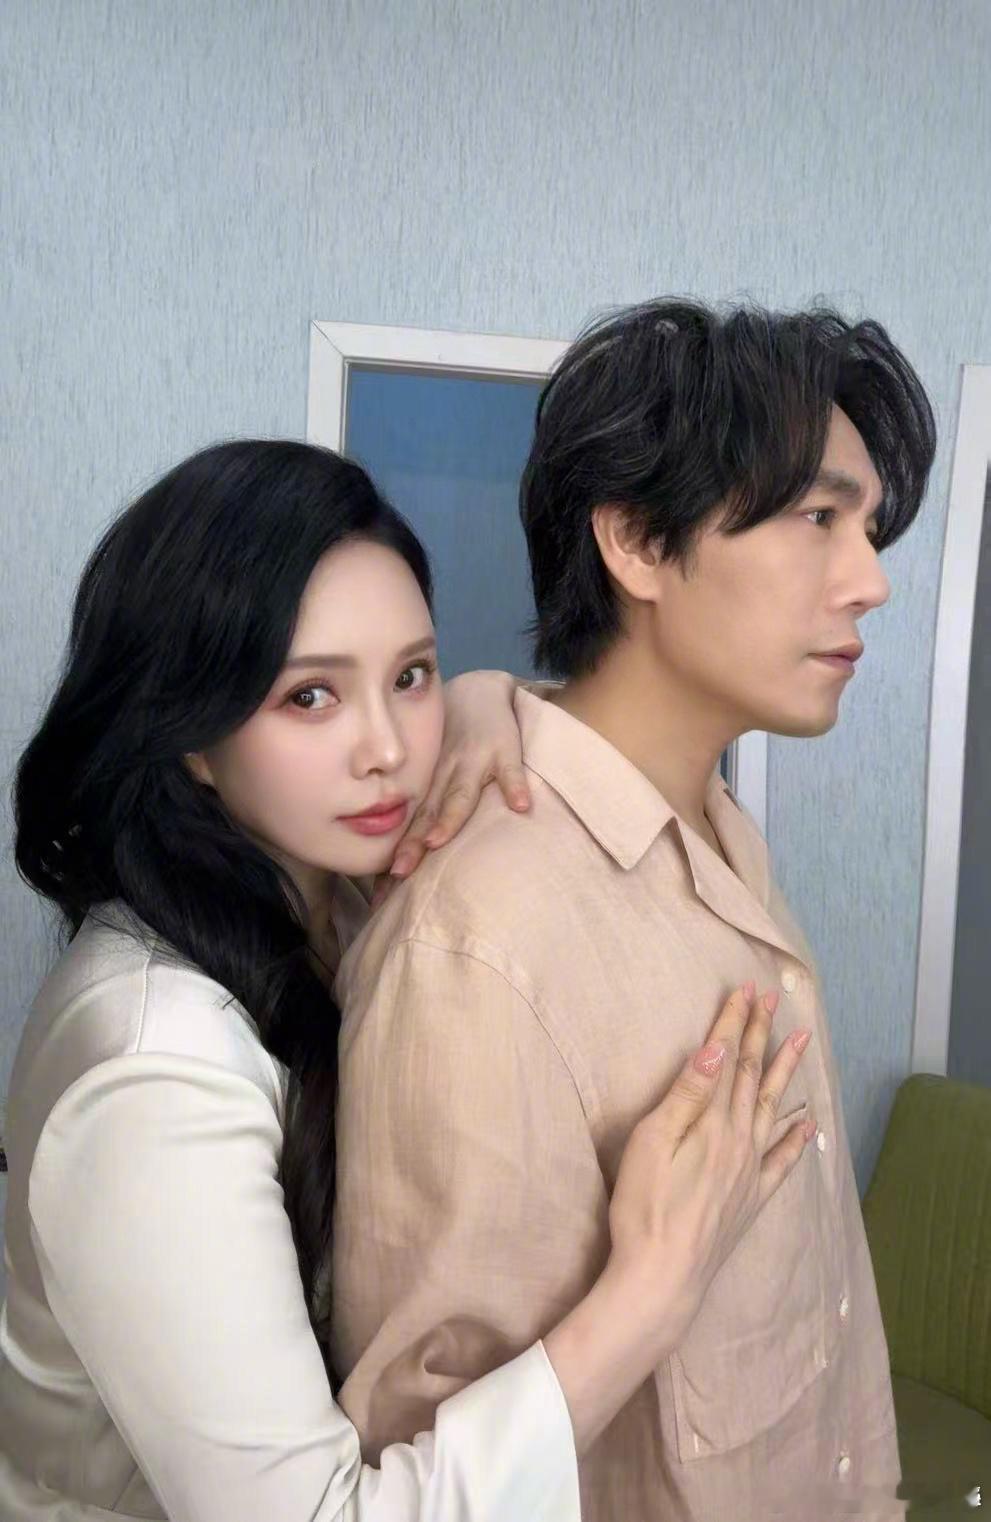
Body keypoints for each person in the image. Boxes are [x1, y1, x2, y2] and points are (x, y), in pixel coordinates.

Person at [0, 439, 812, 1522]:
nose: (386, 749)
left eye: (410, 675)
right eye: (310, 697)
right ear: (192, 732)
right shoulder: (154, 1074)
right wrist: (650, 1291)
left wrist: (481, 701)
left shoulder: (329, 890)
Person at [330, 301, 938, 1522]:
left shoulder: (721, 832)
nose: (871, 581)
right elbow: (430, 1461)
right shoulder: (480, 939)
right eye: (818, 518)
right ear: (637, 542)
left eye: (868, 528)